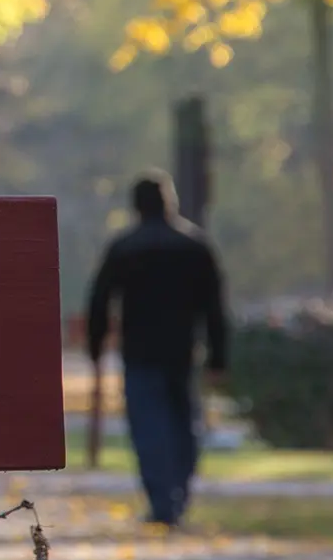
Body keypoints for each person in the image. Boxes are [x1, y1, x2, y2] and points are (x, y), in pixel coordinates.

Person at [85, 172, 228, 527]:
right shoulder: (194, 246)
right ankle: (179, 491)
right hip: (182, 350)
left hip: (140, 351)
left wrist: (96, 345)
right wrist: (218, 355)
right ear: (170, 202)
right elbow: (214, 306)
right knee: (183, 424)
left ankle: (161, 501)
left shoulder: (125, 248)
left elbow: (100, 300)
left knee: (148, 428)